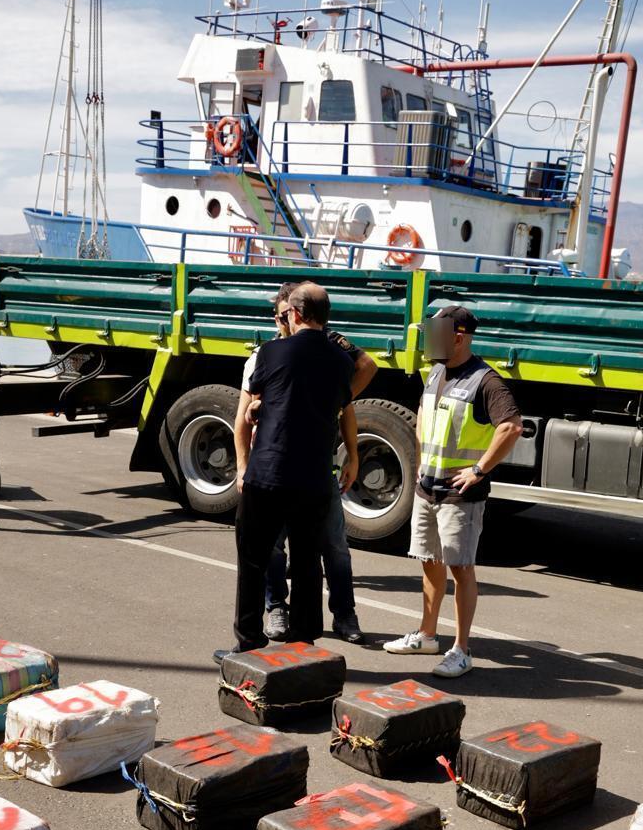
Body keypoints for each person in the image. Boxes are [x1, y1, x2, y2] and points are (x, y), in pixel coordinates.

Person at [384, 303, 522, 677]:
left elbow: (511, 427)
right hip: (428, 487)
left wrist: (478, 470)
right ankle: (427, 635)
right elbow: (422, 420)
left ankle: (461, 649)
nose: (429, 343)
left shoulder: (486, 381)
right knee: (429, 561)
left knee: (460, 568)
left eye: (436, 334)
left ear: (459, 336)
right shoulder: (436, 373)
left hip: (460, 495)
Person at [220, 281, 356, 656]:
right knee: (308, 559)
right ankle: (304, 641)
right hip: (313, 477)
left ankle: (249, 640)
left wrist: (255, 416)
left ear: (294, 314)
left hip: (270, 472)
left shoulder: (271, 352)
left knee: (253, 558)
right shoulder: (342, 362)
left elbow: (261, 401)